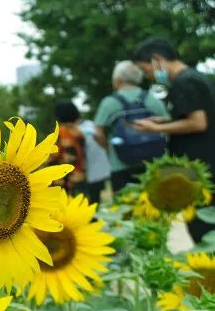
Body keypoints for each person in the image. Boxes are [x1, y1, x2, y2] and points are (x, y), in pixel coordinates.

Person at [131, 37, 215, 243]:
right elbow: (191, 116)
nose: (148, 76)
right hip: (206, 161)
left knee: (202, 230)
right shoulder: (195, 77)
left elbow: (198, 122)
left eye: (146, 70)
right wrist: (163, 121)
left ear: (157, 59)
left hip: (200, 168)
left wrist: (155, 129)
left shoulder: (183, 82)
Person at [92, 60, 169, 192]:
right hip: (156, 163)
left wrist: (109, 149)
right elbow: (167, 124)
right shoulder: (153, 98)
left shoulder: (109, 102)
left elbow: (97, 133)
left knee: (124, 208)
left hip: (120, 164)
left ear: (118, 80)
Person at [48, 100, 87, 196]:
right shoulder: (81, 131)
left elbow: (54, 155)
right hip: (82, 175)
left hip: (65, 179)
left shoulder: (61, 132)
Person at [79, 117, 110, 204]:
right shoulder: (89, 125)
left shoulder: (89, 125)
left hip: (94, 167)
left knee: (95, 196)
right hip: (86, 169)